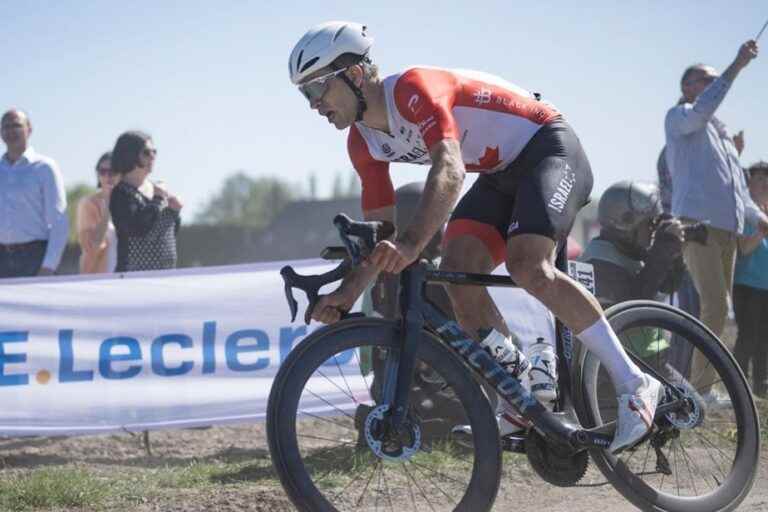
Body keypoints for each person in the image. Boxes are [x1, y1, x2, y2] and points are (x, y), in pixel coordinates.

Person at [290, 21, 662, 453]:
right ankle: (521, 395)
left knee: (528, 266)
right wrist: (348, 291)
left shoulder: (412, 90)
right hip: (500, 174)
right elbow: (381, 236)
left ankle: (637, 384)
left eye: (317, 89)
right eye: (305, 95)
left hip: (549, 148)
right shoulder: (362, 143)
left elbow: (448, 171)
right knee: (457, 275)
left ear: (354, 75)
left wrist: (411, 245)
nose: (314, 105)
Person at [664, 40, 768, 396]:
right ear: (687, 87)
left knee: (720, 312)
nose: (713, 84)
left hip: (727, 231)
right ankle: (697, 390)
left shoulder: (721, 134)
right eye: (705, 80)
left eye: (713, 79)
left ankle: (701, 388)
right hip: (699, 226)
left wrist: (759, 219)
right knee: (714, 306)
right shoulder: (680, 117)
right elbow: (703, 109)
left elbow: (736, 189)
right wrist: (736, 65)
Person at [0, 109, 68, 278]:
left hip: (34, 257)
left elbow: (59, 220)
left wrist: (49, 266)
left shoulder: (45, 167)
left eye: (16, 125)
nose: (11, 131)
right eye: (6, 126)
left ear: (29, 129)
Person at [109, 131, 182, 272]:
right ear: (130, 155)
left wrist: (175, 212)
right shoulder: (121, 194)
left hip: (166, 275)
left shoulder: (157, 189)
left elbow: (168, 234)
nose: (153, 157)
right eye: (147, 152)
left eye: (155, 152)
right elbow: (138, 229)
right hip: (134, 278)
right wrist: (157, 200)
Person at [733, 161, 768, 397]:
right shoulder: (745, 213)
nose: (765, 183)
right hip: (746, 285)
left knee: (765, 339)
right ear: (749, 183)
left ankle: (761, 388)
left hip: (765, 288)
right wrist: (763, 229)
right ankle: (738, 386)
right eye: (759, 179)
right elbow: (744, 249)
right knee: (747, 337)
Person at [77, 151, 120, 274]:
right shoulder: (88, 204)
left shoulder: (130, 204)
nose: (107, 176)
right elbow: (92, 247)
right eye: (102, 171)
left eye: (113, 171)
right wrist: (107, 208)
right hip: (98, 280)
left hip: (126, 280)